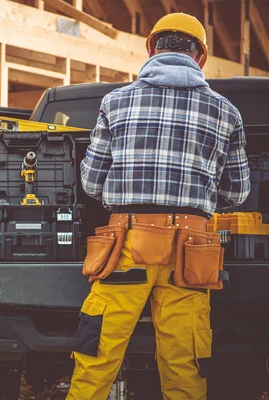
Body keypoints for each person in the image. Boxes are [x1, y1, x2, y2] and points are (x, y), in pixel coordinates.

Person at [67, 13, 250, 400]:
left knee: (97, 354)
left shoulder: (115, 102)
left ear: (151, 47)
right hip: (192, 253)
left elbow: (90, 182)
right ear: (200, 56)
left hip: (126, 248)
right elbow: (238, 193)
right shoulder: (226, 112)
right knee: (186, 362)